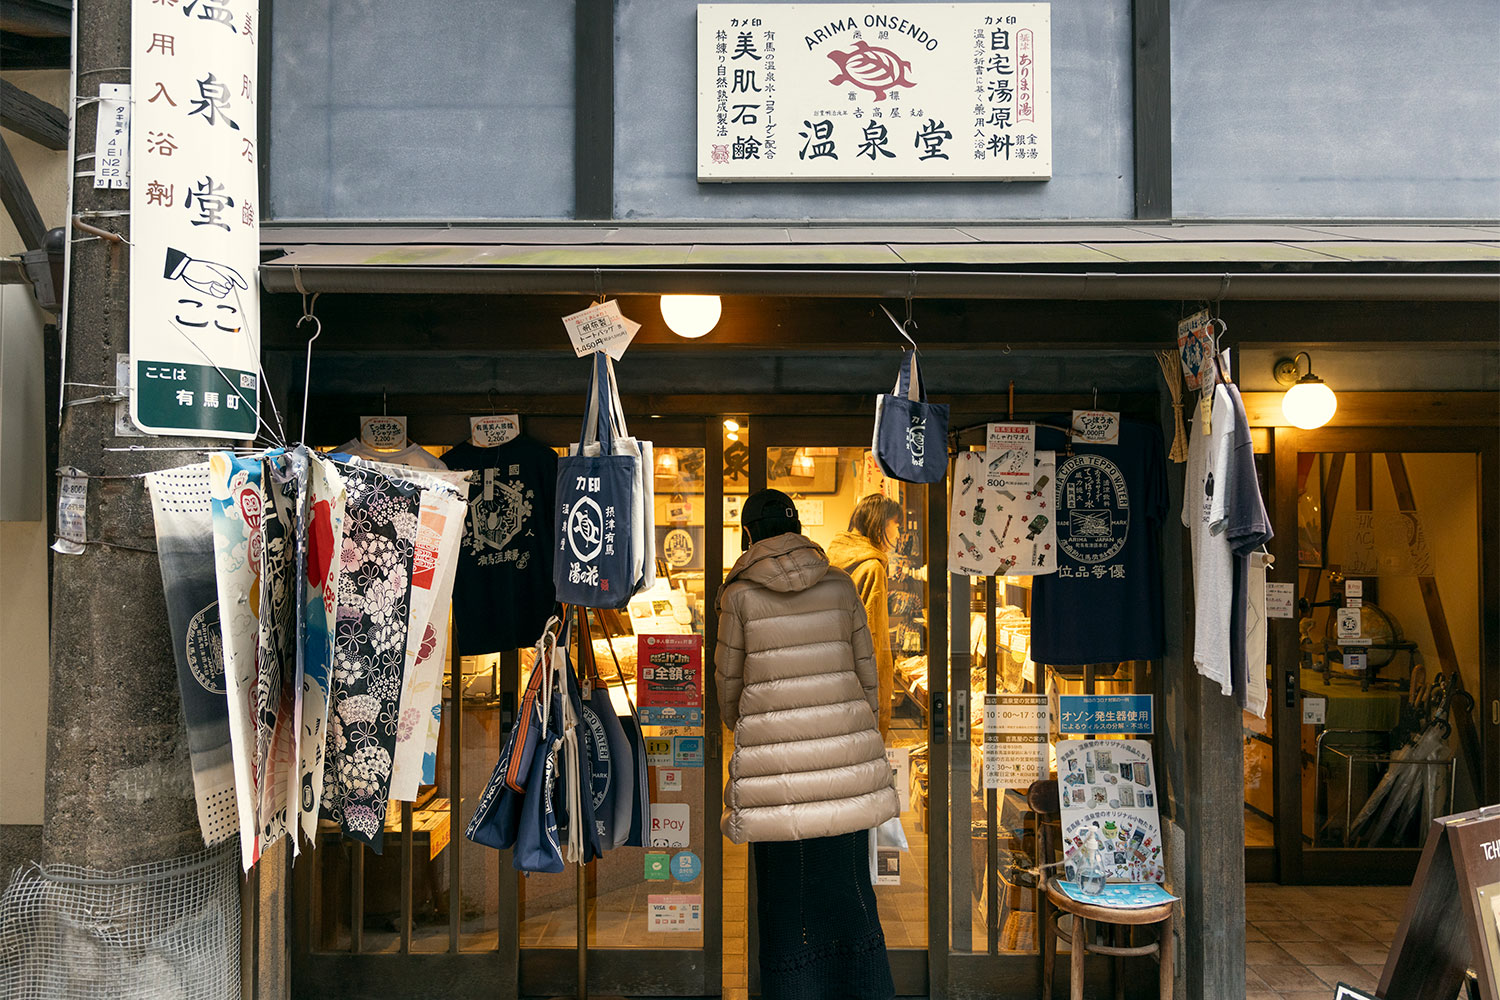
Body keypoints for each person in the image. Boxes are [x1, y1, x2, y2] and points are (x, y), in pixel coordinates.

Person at [717, 489, 902, 1000]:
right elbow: (870, 678)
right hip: (843, 771)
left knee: (785, 899)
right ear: (797, 529)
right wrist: (854, 732)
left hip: (774, 779)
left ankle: (794, 989)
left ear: (749, 534)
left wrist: (757, 728)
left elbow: (729, 693)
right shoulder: (840, 586)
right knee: (848, 890)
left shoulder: (739, 597)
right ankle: (862, 988)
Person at [826, 494, 903, 738]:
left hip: (833, 674)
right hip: (860, 684)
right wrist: (877, 696)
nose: (899, 534)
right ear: (879, 523)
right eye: (896, 524)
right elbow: (873, 637)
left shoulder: (834, 557)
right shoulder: (872, 567)